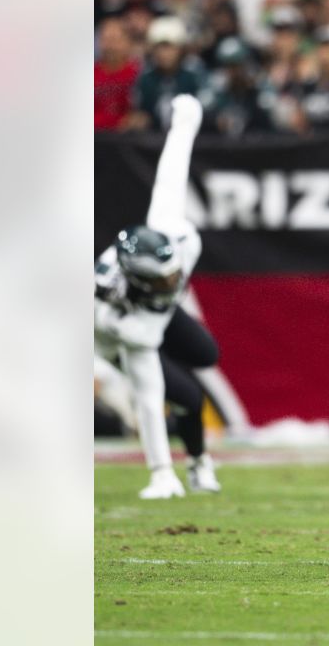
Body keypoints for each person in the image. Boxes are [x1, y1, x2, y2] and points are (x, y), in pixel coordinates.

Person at [94, 95, 221, 499]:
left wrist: (186, 119)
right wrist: (160, 473)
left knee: (206, 354)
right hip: (119, 335)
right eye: (162, 281)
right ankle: (193, 466)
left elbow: (172, 171)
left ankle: (192, 466)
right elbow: (149, 400)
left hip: (154, 317)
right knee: (184, 396)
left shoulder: (173, 233)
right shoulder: (116, 313)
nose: (173, 283)